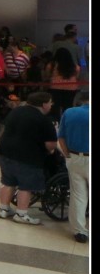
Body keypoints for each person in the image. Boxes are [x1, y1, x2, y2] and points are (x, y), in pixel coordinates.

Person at [0, 91, 58, 225]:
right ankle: (21, 214)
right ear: (43, 104)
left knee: (7, 181)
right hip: (27, 157)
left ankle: (3, 209)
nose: (51, 105)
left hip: (5, 151)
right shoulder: (43, 120)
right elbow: (51, 144)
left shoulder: (16, 111)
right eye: (50, 102)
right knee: (26, 185)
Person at [57, 89, 89, 243]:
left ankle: (80, 231)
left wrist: (67, 155)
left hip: (75, 157)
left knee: (78, 195)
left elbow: (61, 136)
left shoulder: (69, 112)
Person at [45, 47, 80, 122]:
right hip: (71, 89)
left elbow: (47, 76)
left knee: (55, 107)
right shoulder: (75, 67)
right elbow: (77, 77)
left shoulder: (51, 65)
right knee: (68, 107)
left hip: (55, 88)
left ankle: (56, 123)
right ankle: (67, 122)